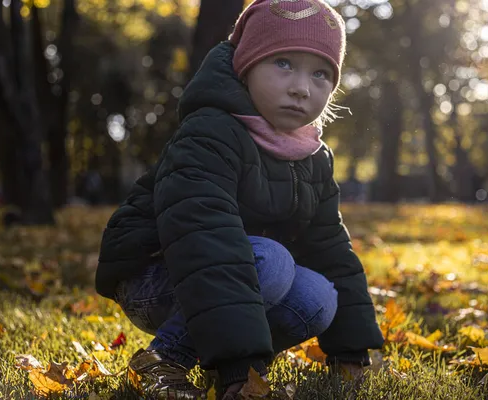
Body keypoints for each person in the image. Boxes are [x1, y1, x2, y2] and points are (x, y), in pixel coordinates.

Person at [95, 1, 384, 398]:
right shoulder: (210, 133)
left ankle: (227, 353)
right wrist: (238, 363)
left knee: (318, 297)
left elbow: (331, 249)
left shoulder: (312, 155)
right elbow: (204, 240)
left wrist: (351, 349)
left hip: (241, 271)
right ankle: (163, 361)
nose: (302, 87)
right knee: (273, 260)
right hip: (157, 275)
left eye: (320, 73)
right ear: (246, 65)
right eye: (283, 63)